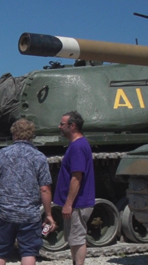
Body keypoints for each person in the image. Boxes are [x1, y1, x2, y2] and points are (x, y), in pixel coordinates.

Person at [0, 118, 55, 265]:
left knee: (0, 252)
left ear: (14, 133)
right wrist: (48, 214)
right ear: (31, 135)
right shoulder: (39, 157)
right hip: (29, 214)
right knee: (29, 252)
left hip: (5, 212)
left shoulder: (2, 153)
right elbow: (44, 188)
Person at [53, 111, 95, 265]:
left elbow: (77, 177)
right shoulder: (77, 144)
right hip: (76, 202)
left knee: (77, 238)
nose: (59, 127)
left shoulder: (77, 147)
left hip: (78, 203)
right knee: (73, 237)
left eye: (62, 124)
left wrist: (69, 204)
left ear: (73, 126)